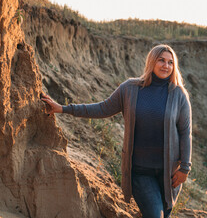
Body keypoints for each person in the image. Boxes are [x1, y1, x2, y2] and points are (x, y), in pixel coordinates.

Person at [41, 44, 192, 218]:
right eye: (161, 60)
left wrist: (185, 168)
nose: (166, 66)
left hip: (169, 175)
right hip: (140, 172)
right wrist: (64, 109)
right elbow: (102, 109)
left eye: (170, 62)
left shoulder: (179, 95)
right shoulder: (130, 89)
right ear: (152, 61)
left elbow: (185, 133)